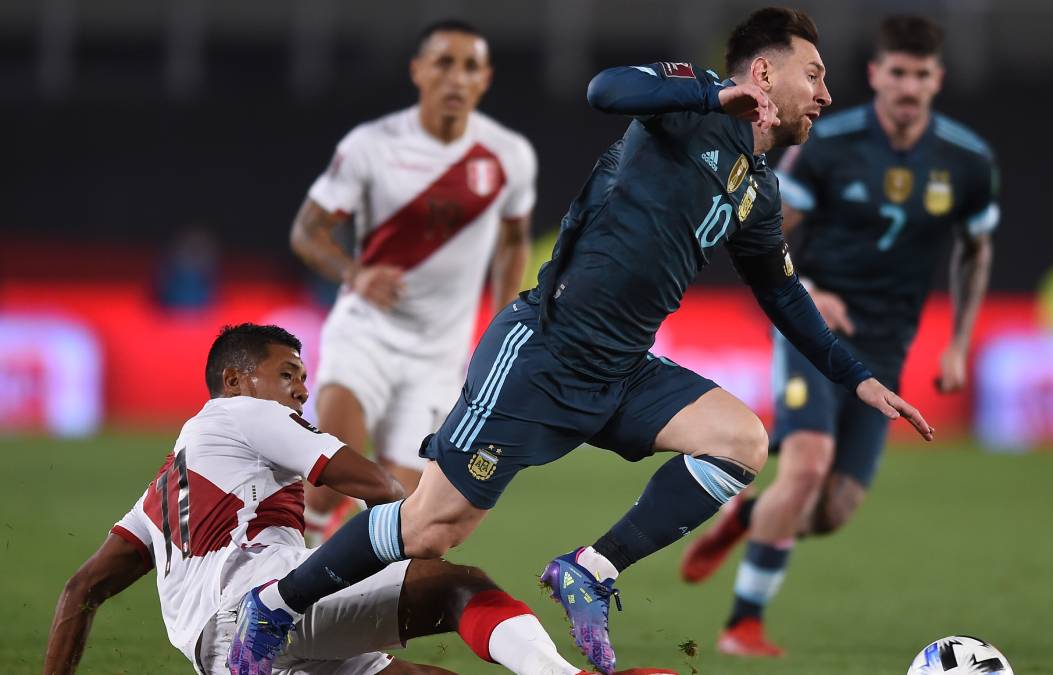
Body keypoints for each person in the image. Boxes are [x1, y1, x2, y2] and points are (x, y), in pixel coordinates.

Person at [231, 8, 934, 675]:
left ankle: (589, 570)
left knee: (741, 440)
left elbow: (782, 293)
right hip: (543, 352)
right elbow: (605, 89)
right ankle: (276, 604)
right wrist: (716, 97)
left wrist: (857, 376)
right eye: (812, 74)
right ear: (761, 73)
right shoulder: (685, 110)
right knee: (431, 528)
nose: (825, 92)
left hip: (623, 372)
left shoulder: (759, 189)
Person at [43, 324, 661, 675]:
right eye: (286, 374)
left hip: (229, 653)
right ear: (234, 381)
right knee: (456, 586)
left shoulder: (162, 492)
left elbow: (80, 591)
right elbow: (378, 485)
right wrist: (404, 544)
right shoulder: (239, 414)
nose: (299, 392)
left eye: (303, 379)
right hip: (260, 614)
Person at [678, 15, 1000, 657]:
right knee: (806, 468)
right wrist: (812, 293)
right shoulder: (828, 144)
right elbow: (770, 221)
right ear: (877, 75)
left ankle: (743, 517)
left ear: (938, 79)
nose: (909, 86)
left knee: (832, 510)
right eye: (897, 72)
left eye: (922, 74)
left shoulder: (966, 162)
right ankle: (742, 626)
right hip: (815, 331)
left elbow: (975, 250)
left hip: (889, 345)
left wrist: (960, 341)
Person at [291, 19, 536, 536]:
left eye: (469, 66)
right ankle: (280, 589)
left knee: (399, 518)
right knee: (322, 485)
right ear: (419, 71)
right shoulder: (371, 145)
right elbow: (307, 231)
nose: (456, 77)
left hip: (438, 359)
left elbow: (513, 242)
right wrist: (354, 273)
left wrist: (505, 324)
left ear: (484, 79)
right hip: (366, 335)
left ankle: (332, 590)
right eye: (444, 63)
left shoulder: (509, 156)